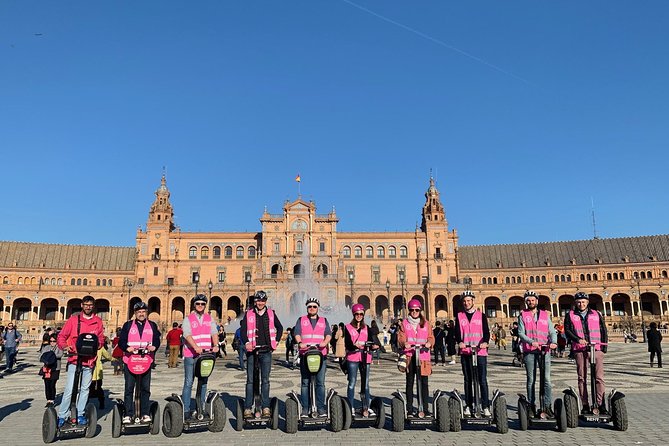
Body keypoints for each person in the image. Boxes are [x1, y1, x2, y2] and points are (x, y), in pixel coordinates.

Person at [56, 295, 105, 426]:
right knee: (70, 388)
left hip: (89, 360)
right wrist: (65, 347)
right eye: (86, 304)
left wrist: (97, 345)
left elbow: (101, 338)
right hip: (74, 359)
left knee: (85, 389)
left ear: (93, 306)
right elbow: (62, 336)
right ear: (82, 305)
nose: (88, 307)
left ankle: (80, 413)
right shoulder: (73, 320)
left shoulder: (98, 321)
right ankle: (62, 414)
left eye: (90, 305)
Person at [240, 290, 283, 418]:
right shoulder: (248, 314)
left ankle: (265, 407)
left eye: (263, 300)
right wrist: (246, 342)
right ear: (255, 301)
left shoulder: (271, 313)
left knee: (265, 380)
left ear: (266, 301)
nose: (260, 303)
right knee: (250, 381)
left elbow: (279, 327)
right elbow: (243, 331)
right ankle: (248, 407)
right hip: (252, 351)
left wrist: (276, 341)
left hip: (266, 351)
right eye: (258, 300)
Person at [564, 292, 608, 414]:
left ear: (587, 302)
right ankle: (585, 404)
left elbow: (603, 329)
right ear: (575, 303)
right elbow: (567, 330)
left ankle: (600, 403)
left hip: (596, 349)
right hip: (579, 349)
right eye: (578, 302)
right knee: (582, 378)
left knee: (599, 377)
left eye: (583, 302)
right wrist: (578, 340)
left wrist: (604, 348)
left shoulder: (596, 313)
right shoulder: (570, 315)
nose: (581, 304)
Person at [119, 300, 161, 423]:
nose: (141, 314)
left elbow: (156, 340)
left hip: (146, 361)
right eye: (139, 312)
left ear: (146, 313)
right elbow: (121, 341)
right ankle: (128, 413)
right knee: (129, 388)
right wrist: (127, 348)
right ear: (135, 313)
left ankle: (145, 413)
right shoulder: (127, 325)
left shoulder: (152, 325)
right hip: (130, 361)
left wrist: (155, 347)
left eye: (143, 312)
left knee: (145, 389)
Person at [518, 290, 557, 417]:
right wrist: (531, 341)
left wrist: (554, 342)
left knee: (547, 379)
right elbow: (520, 333)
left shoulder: (545, 315)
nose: (530, 302)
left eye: (532, 300)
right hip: (530, 351)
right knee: (531, 379)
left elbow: (552, 331)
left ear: (537, 301)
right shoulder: (522, 315)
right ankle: (531, 405)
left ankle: (547, 405)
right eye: (528, 300)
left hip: (544, 350)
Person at [181, 294, 219, 419]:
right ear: (194, 305)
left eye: (203, 304)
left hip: (205, 355)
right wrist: (195, 346)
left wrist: (216, 344)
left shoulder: (209, 318)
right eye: (198, 303)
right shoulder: (188, 319)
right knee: (189, 382)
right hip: (191, 355)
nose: (200, 306)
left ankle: (201, 407)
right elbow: (187, 334)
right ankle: (186, 409)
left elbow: (214, 332)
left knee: (203, 382)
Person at [293, 297, 332, 417]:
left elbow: (328, 334)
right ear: (307, 308)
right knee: (305, 382)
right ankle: (305, 408)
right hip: (305, 354)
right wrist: (300, 343)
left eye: (314, 306)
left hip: (321, 354)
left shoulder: (324, 320)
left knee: (320, 382)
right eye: (310, 306)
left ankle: (320, 407)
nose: (312, 308)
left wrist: (325, 342)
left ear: (318, 308)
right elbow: (297, 333)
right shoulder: (301, 319)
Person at [454, 290, 490, 417]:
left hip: (480, 352)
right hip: (466, 351)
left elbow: (486, 332)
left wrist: (485, 342)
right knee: (468, 379)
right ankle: (468, 405)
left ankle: (485, 406)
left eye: (469, 300)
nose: (466, 303)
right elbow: (457, 332)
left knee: (482, 379)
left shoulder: (482, 316)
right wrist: (460, 341)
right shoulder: (459, 316)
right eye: (464, 301)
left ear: (473, 301)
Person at [397, 299, 434, 417]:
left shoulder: (426, 323)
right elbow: (401, 337)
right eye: (412, 310)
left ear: (420, 310)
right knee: (410, 382)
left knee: (423, 383)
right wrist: (404, 343)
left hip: (423, 356)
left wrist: (429, 343)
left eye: (416, 310)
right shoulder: (404, 323)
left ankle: (424, 408)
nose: (414, 312)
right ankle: (409, 409)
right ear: (409, 310)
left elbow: (431, 337)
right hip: (410, 355)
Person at [344, 304, 380, 416]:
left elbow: (372, 340)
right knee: (352, 383)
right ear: (354, 315)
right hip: (353, 358)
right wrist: (355, 346)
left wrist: (375, 346)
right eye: (357, 314)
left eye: (361, 314)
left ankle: (366, 406)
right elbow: (348, 344)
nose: (359, 316)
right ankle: (351, 406)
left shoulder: (367, 328)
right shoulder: (347, 327)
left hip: (365, 357)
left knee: (366, 384)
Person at [38, 333, 63, 407]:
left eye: (54, 341)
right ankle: (48, 400)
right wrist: (46, 358)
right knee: (47, 384)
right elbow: (40, 356)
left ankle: (52, 399)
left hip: (55, 368)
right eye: (51, 341)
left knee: (52, 384)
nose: (52, 342)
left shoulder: (59, 347)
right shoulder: (46, 347)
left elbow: (60, 355)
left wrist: (51, 355)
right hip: (47, 368)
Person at [89, 338, 113, 409]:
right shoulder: (100, 348)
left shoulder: (89, 346)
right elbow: (107, 356)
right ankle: (101, 403)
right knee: (98, 388)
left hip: (91, 371)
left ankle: (85, 403)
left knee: (87, 388)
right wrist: (113, 358)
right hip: (97, 372)